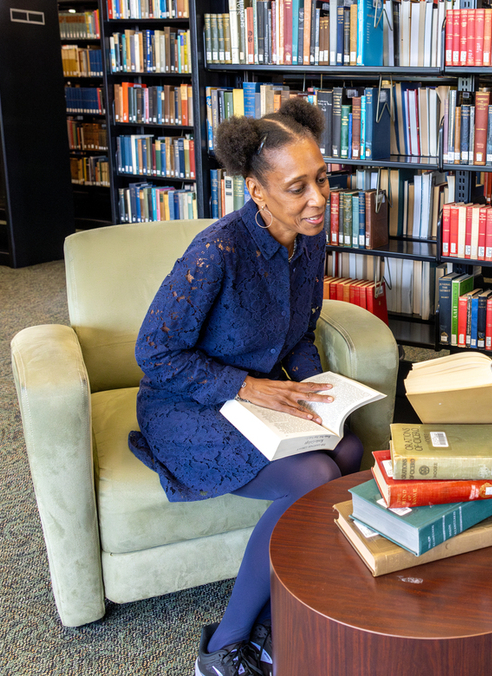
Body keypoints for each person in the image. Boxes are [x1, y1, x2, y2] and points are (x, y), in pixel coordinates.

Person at [128, 98, 363, 676]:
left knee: (350, 448)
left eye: (322, 179)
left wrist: (322, 396)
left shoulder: (309, 237)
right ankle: (224, 646)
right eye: (297, 187)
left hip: (260, 396)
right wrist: (247, 387)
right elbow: (154, 351)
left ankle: (281, 611)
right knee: (313, 477)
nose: (317, 200)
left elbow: (299, 336)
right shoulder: (215, 252)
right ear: (257, 191)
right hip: (186, 403)